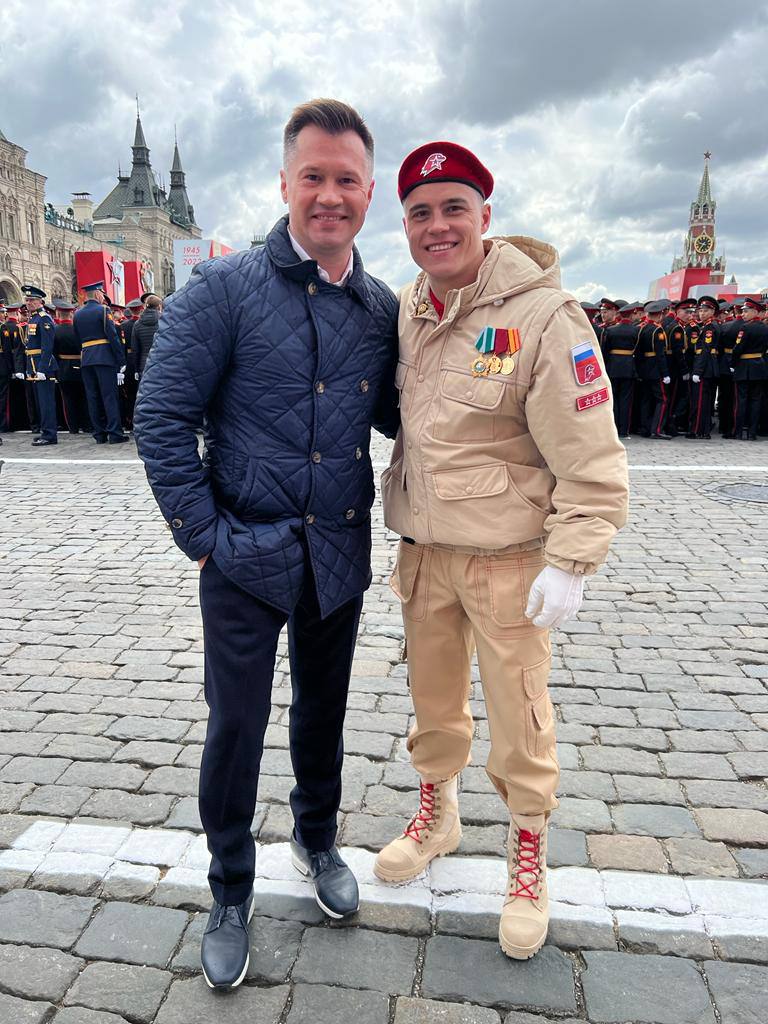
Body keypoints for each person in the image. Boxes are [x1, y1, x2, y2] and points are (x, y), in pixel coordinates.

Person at [134, 98, 399, 991]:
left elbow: (405, 414)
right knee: (237, 727)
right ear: (285, 182)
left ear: (370, 193)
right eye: (313, 177)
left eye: (347, 180)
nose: (329, 195)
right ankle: (228, 889)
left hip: (338, 552)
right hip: (243, 553)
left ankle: (316, 840)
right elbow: (162, 417)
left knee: (323, 714)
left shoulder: (379, 305)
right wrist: (204, 537)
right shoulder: (223, 288)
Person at [373, 141, 628, 960]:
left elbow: (590, 455)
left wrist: (573, 557)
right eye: (420, 213)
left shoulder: (545, 318)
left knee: (520, 718)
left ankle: (527, 851)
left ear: (486, 216)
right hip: (426, 555)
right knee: (434, 704)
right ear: (406, 226)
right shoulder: (411, 308)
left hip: (512, 560)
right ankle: (438, 815)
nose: (438, 226)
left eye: (454, 209)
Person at [73, 281, 127, 444]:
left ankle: (99, 433)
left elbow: (77, 339)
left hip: (87, 358)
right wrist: (120, 360)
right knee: (109, 396)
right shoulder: (104, 310)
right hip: (104, 358)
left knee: (93, 397)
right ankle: (115, 433)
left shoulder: (77, 314)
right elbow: (112, 336)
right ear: (98, 294)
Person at [21, 285, 58, 446]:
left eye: (31, 300)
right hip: (33, 365)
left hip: (43, 366)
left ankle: (50, 434)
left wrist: (43, 368)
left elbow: (47, 346)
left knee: (46, 402)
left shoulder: (44, 318)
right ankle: (45, 430)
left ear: (40, 301)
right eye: (27, 300)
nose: (28, 303)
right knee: (40, 402)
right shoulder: (33, 318)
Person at [730, 297, 768, 440]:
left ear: (755, 312)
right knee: (756, 401)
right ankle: (752, 433)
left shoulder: (745, 328)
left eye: (746, 312)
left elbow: (738, 349)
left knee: (741, 401)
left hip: (744, 367)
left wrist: (733, 364)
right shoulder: (765, 328)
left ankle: (738, 431)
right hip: (759, 366)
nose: (743, 314)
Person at [635, 299, 671, 439]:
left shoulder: (641, 328)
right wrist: (665, 373)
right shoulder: (658, 330)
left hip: (643, 368)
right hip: (655, 369)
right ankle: (656, 429)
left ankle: (644, 428)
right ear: (659, 315)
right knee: (662, 400)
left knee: (646, 399)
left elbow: (637, 352)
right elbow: (660, 354)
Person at [602, 303, 638, 439]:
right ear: (632, 314)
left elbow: (606, 351)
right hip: (629, 367)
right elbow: (638, 350)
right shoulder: (636, 330)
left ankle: (613, 428)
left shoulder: (610, 330)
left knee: (613, 400)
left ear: (619, 315)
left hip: (613, 367)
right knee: (626, 401)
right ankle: (624, 431)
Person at [53, 301, 90, 434]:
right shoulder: (79, 329)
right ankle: (86, 425)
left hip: (64, 368)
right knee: (84, 398)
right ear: (71, 313)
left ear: (58, 313)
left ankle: (73, 427)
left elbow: (53, 352)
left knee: (68, 399)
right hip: (81, 366)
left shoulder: (55, 330)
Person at [689, 296, 721, 439]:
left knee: (701, 401)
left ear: (712, 311)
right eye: (700, 311)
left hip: (705, 368)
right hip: (708, 368)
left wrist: (698, 371)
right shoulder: (708, 326)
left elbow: (706, 350)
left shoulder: (710, 327)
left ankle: (698, 430)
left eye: (705, 311)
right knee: (705, 401)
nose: (702, 313)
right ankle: (704, 430)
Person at [132, 294, 162, 378]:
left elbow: (135, 349)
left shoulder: (137, 324)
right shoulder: (164, 319)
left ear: (145, 306)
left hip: (144, 363)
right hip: (162, 361)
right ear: (159, 306)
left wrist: (136, 369)